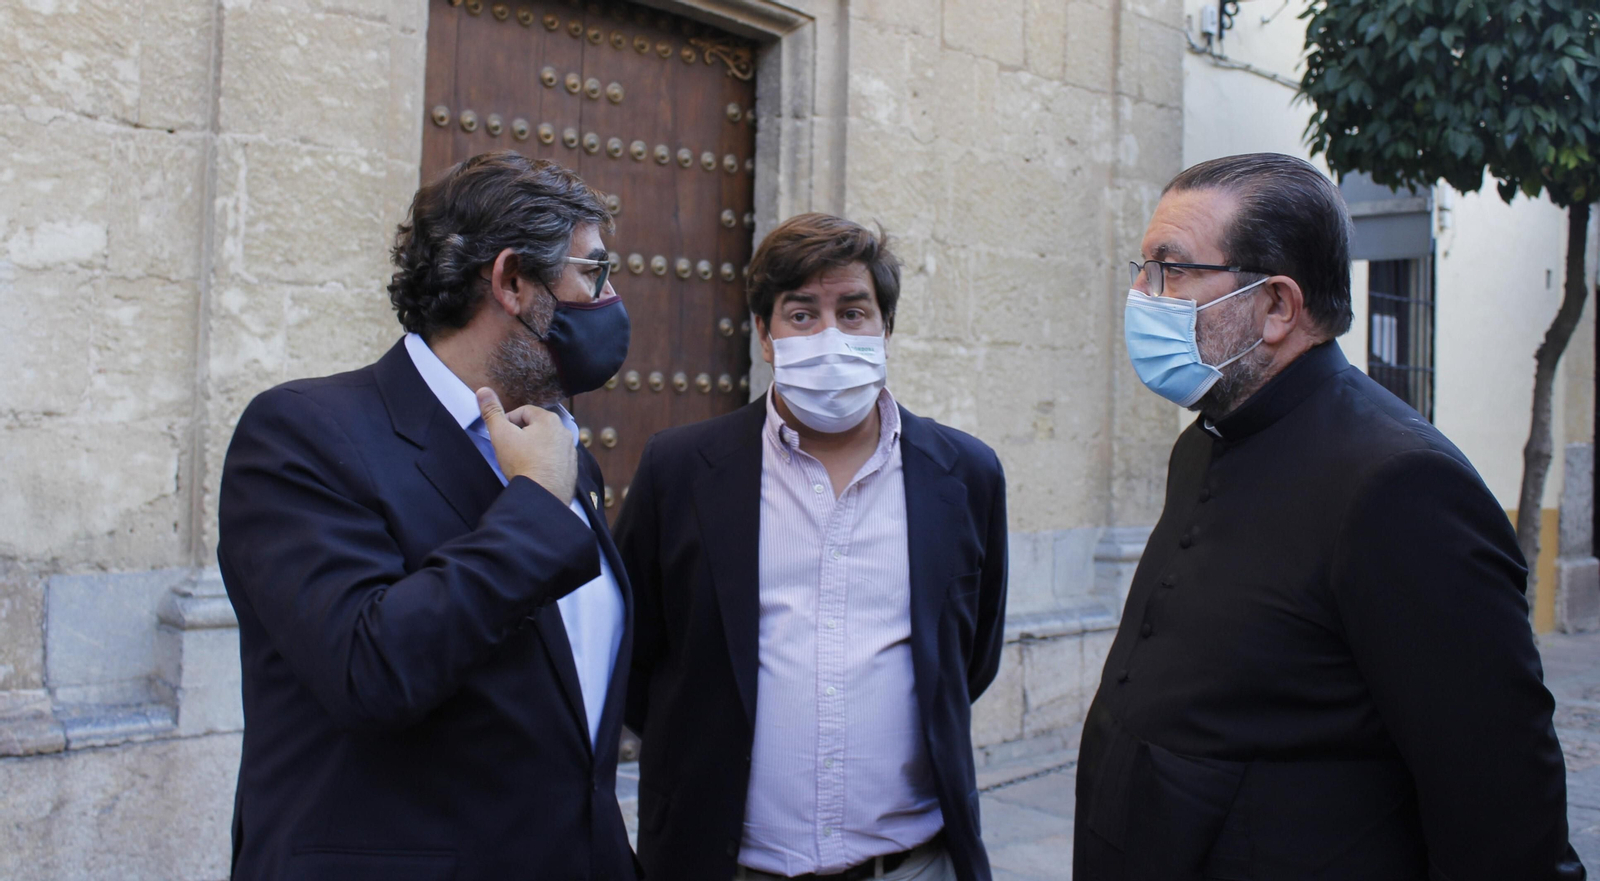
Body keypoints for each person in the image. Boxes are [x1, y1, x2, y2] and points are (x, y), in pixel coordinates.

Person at [1074, 152, 1584, 880]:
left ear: (1277, 306)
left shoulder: (1401, 485)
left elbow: (1502, 810)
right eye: (1143, 267)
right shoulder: (1203, 444)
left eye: (1171, 269)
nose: (1142, 293)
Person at [217, 151, 637, 880]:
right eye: (593, 272)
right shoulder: (304, 433)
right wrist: (536, 505)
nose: (609, 299)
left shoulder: (561, 454)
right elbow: (369, 670)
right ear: (511, 281)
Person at [614, 213, 1008, 881]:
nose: (831, 336)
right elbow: (637, 654)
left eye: (853, 312)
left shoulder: (965, 474)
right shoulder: (679, 469)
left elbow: (969, 657)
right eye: (802, 315)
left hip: (913, 865)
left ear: (886, 328)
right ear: (765, 335)